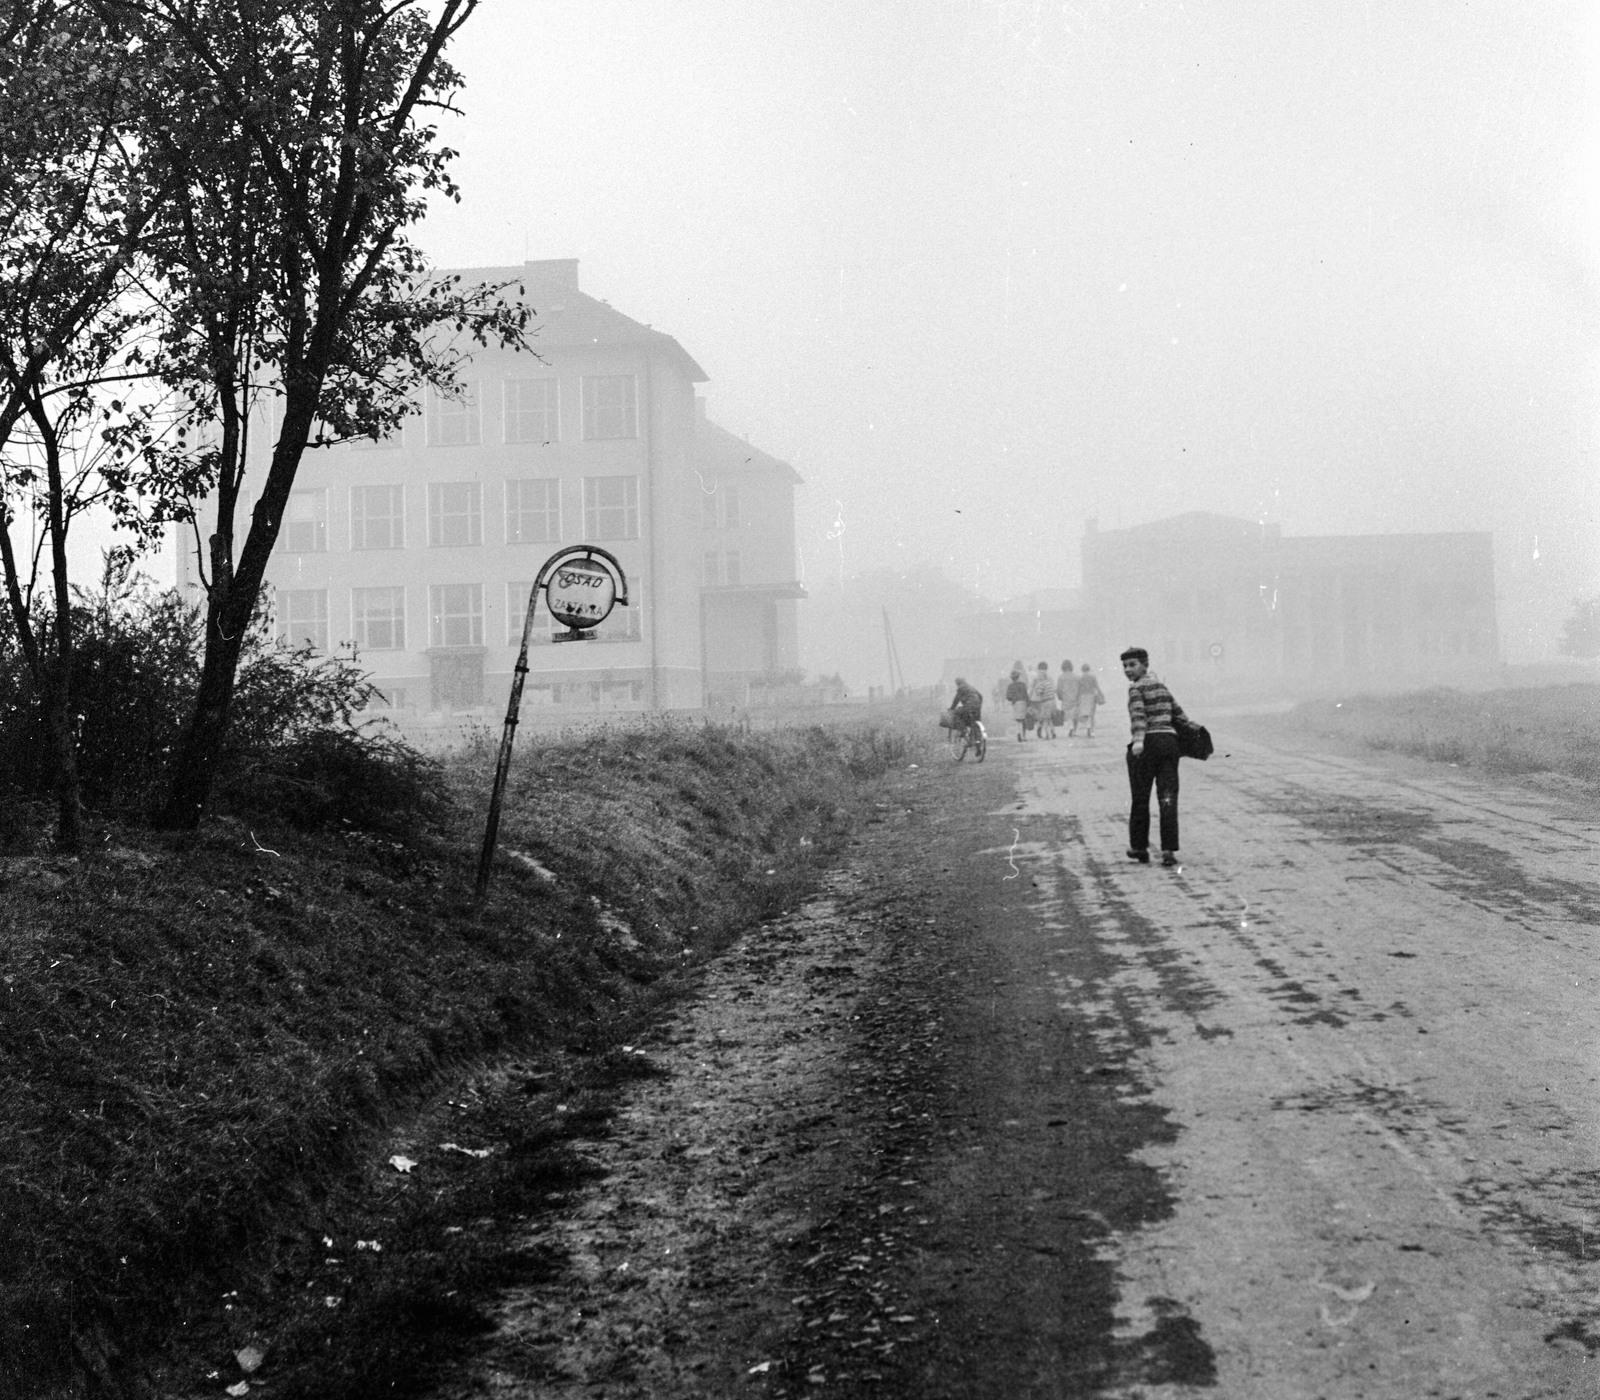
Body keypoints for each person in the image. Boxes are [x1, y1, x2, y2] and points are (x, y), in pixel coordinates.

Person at [1121, 646, 1188, 867]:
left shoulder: (1136, 689)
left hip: (1147, 746)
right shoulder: (1162, 687)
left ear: (1145, 665)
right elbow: (1179, 715)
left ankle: (1140, 847)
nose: (1128, 670)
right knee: (1168, 798)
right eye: (1125, 666)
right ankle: (1168, 850)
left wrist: (1139, 740)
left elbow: (1138, 715)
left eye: (1132, 665)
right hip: (1169, 745)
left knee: (1140, 798)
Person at [1071, 663, 1105, 737]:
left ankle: (1087, 726)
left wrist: (1076, 699)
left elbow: (1078, 689)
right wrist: (1101, 695)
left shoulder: (1080, 678)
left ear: (1082, 670)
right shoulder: (1093, 677)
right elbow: (1097, 687)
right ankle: (1092, 731)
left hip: (1083, 697)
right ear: (1089, 669)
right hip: (1092, 696)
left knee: (1084, 714)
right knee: (1091, 715)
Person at [948, 675, 983, 742]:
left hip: (969, 705)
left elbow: (956, 700)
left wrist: (952, 708)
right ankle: (977, 741)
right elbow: (981, 696)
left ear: (958, 683)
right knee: (976, 721)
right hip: (977, 706)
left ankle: (964, 731)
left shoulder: (961, 688)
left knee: (957, 715)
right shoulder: (971, 687)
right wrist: (979, 707)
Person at [1029, 661, 1057, 739]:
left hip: (1035, 699)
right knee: (1048, 717)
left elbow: (1031, 688)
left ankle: (1039, 726)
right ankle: (1051, 730)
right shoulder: (1049, 677)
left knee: (1038, 716)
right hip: (1046, 699)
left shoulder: (1035, 677)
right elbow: (1053, 689)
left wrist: (1029, 697)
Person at [1005, 664, 1031, 741]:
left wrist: (1012, 699)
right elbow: (1026, 695)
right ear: (1018, 677)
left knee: (1018, 720)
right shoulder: (1023, 685)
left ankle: (1018, 733)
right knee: (1023, 720)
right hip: (1023, 703)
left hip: (1016, 703)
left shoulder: (1010, 686)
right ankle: (1024, 736)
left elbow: (1008, 696)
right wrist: (1029, 704)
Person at [1055, 660, 1079, 737]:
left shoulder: (1061, 677)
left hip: (1066, 698)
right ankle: (1074, 731)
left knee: (1068, 715)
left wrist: (1059, 697)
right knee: (1075, 715)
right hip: (1076, 698)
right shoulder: (1076, 676)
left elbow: (1058, 689)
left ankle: (1070, 727)